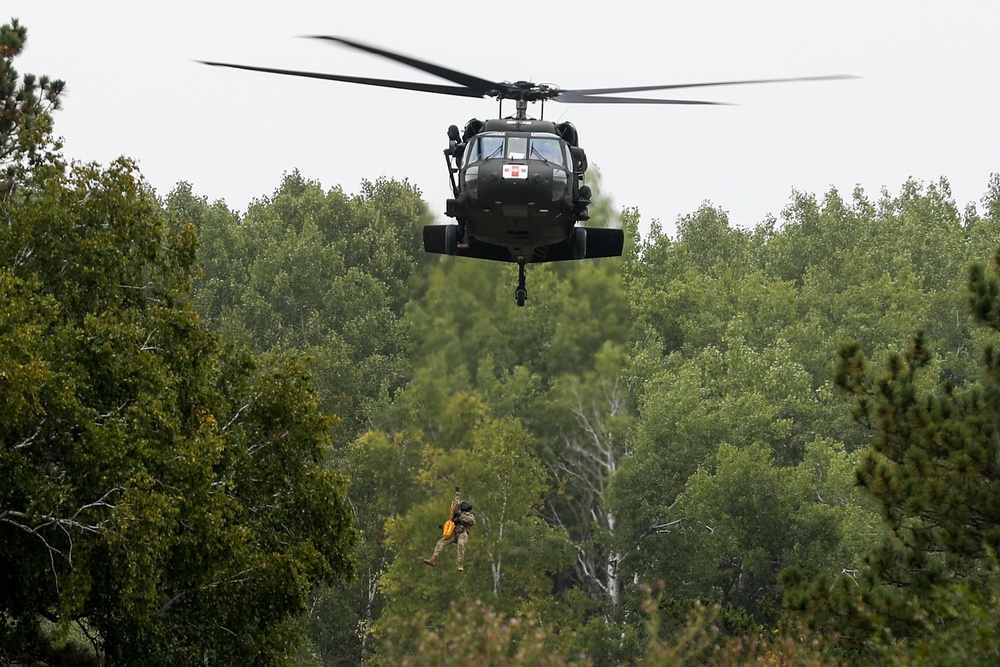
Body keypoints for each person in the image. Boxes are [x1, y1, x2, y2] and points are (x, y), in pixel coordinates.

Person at [424, 500, 475, 571]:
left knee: (460, 545)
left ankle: (460, 564)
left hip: (463, 534)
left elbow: (470, 521)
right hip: (454, 534)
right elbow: (451, 521)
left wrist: (460, 515)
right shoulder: (456, 514)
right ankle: (433, 559)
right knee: (441, 542)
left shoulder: (469, 516)